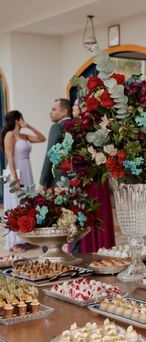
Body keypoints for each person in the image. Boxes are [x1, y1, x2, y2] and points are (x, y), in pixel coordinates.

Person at [71, 99, 116, 252]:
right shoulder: (72, 129)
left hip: (95, 178)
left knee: (98, 211)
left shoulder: (97, 128)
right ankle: (84, 250)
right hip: (82, 179)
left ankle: (104, 249)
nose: (73, 108)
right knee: (83, 213)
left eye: (77, 105)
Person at [1, 110, 46, 252]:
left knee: (27, 203)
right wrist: (14, 178)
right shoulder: (9, 135)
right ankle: (14, 242)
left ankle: (26, 238)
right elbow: (9, 157)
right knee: (14, 204)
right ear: (17, 120)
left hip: (26, 169)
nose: (23, 120)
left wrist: (29, 126)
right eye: (21, 119)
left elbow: (42, 138)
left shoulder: (24, 136)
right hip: (14, 171)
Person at [40, 98, 72, 188]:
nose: (50, 112)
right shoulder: (77, 125)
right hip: (76, 179)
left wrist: (43, 182)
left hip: (58, 180)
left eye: (54, 109)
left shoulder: (57, 127)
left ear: (64, 111)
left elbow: (50, 155)